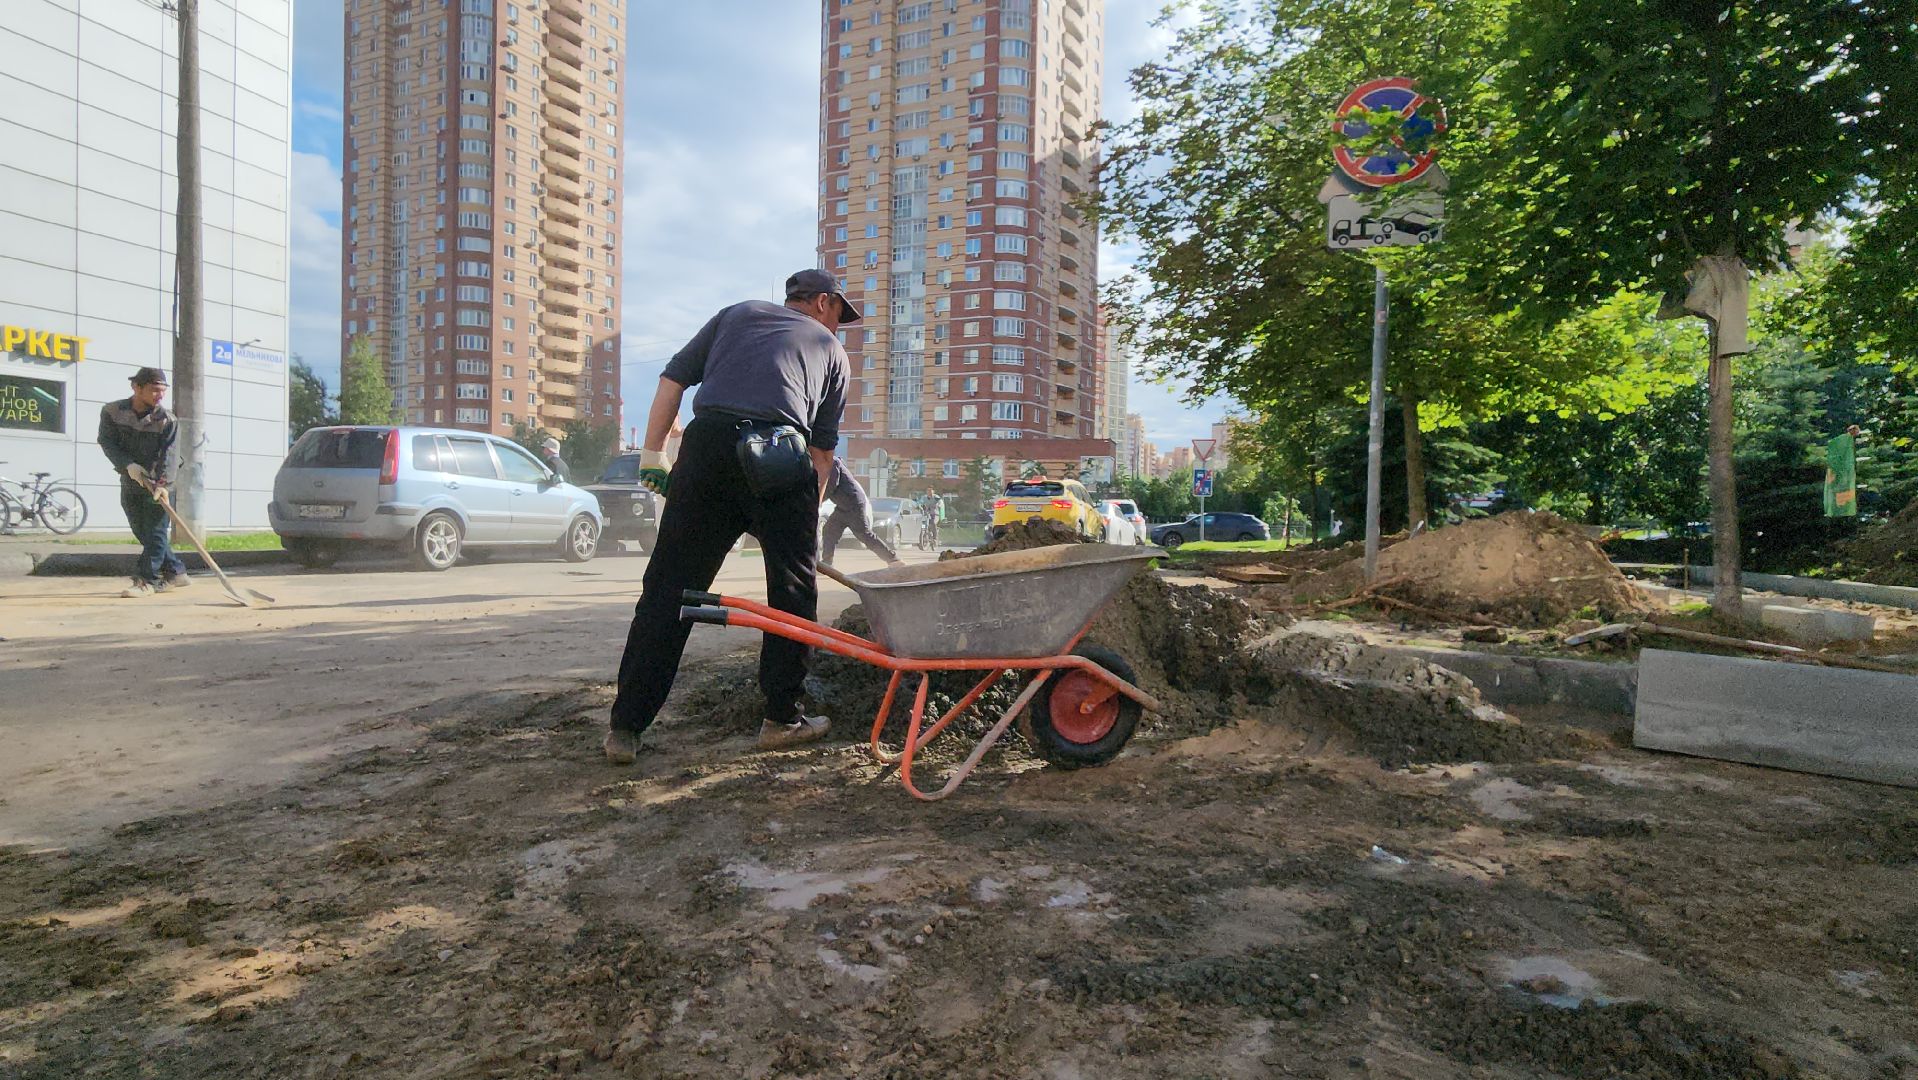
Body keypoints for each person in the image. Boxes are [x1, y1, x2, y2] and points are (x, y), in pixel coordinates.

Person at [604, 268, 858, 765]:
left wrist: (652, 454)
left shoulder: (737, 314)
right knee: (791, 593)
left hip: (708, 448)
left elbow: (672, 380)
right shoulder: (832, 351)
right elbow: (822, 454)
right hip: (781, 455)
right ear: (824, 303)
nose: (837, 327)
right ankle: (782, 718)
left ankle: (625, 727)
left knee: (668, 589)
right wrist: (802, 531)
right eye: (838, 316)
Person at [98, 366, 188, 597]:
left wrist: (163, 485)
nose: (160, 395)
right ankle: (176, 571)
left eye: (163, 391)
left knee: (156, 532)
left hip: (160, 483)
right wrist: (128, 466)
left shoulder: (167, 420)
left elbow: (170, 455)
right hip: (131, 479)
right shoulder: (113, 412)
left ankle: (147, 581)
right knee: (142, 531)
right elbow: (107, 442)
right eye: (154, 390)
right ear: (136, 387)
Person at [820, 458, 903, 568]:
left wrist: (818, 500)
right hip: (842, 507)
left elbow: (831, 485)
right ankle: (827, 563)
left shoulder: (832, 462)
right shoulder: (821, 464)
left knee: (864, 534)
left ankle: (893, 560)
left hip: (854, 503)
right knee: (829, 530)